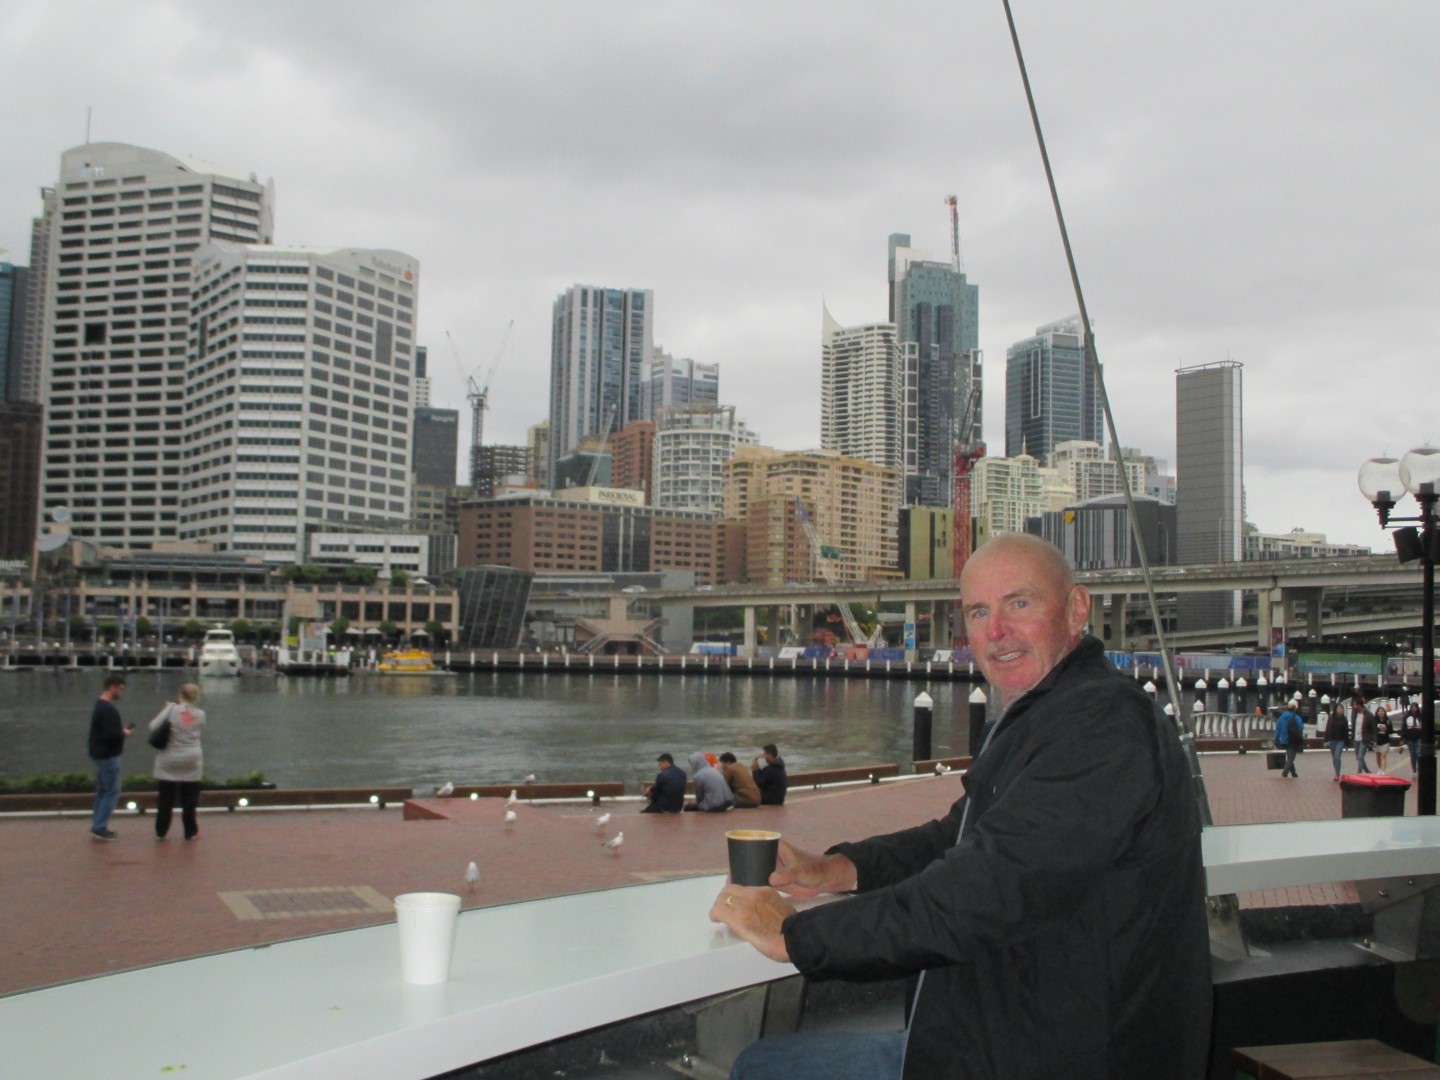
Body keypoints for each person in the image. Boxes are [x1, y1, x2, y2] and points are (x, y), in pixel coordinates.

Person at [710, 533, 1210, 1079]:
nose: (996, 631)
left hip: (1063, 1055)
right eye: (978, 612)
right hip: (1002, 1030)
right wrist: (839, 868)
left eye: (1019, 603)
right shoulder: (1048, 714)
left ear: (1076, 609)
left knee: (762, 1068)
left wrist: (795, 936)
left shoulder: (1105, 727)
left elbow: (983, 892)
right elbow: (960, 836)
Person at [149, 683, 207, 840]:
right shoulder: (201, 714)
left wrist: (167, 708)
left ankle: (161, 830)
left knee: (165, 797)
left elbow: (153, 726)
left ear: (180, 695)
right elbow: (199, 728)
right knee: (190, 798)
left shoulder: (172, 709)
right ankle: (190, 830)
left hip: (169, 757)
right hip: (192, 757)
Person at [87, 673, 132, 841]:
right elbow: (112, 735)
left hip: (99, 753)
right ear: (112, 687)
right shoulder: (109, 710)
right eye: (120, 689)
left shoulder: (99, 706)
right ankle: (100, 827)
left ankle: (97, 824)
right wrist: (124, 733)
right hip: (109, 755)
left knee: (102, 791)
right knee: (111, 791)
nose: (121, 692)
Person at [1275, 699, 1304, 778]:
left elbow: (1277, 730)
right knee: (1291, 758)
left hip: (1284, 740)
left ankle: (1293, 773)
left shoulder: (1281, 718)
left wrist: (1277, 740)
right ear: (1295, 709)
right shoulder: (1296, 718)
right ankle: (1284, 772)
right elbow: (1301, 728)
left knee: (1289, 756)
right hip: (1293, 740)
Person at [1323, 699, 1350, 781]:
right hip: (1332, 740)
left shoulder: (1344, 719)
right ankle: (1336, 771)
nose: (1341, 710)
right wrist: (1325, 740)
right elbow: (1327, 729)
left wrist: (1347, 743)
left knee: (1337, 756)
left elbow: (1346, 732)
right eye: (1339, 708)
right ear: (1335, 709)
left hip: (1340, 740)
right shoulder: (1331, 718)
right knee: (1334, 757)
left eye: (1342, 708)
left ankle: (1337, 774)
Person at [1353, 699, 1374, 774]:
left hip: (1364, 739)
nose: (1354, 706)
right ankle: (1367, 771)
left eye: (1355, 705)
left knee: (1360, 756)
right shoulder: (1355, 714)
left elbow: (1373, 728)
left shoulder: (1369, 715)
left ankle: (1359, 773)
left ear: (1359, 705)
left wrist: (1373, 739)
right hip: (1356, 738)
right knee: (1358, 757)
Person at [1403, 703, 1423, 776]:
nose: (1414, 709)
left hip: (1418, 737)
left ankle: (1419, 768)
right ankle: (1414, 771)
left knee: (1418, 753)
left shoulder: (1420, 716)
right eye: (1412, 707)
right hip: (1410, 738)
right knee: (1412, 755)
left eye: (1415, 707)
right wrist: (1403, 738)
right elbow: (1404, 727)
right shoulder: (1406, 716)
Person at [1373, 705, 1392, 772]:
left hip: (1385, 740)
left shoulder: (1388, 720)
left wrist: (1386, 729)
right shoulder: (1374, 720)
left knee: (1383, 755)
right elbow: (1372, 730)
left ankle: (1383, 771)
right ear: (1377, 712)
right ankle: (1379, 769)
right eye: (1379, 711)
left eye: (1382, 711)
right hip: (1377, 741)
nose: (1381, 712)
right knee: (1378, 755)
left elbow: (1391, 731)